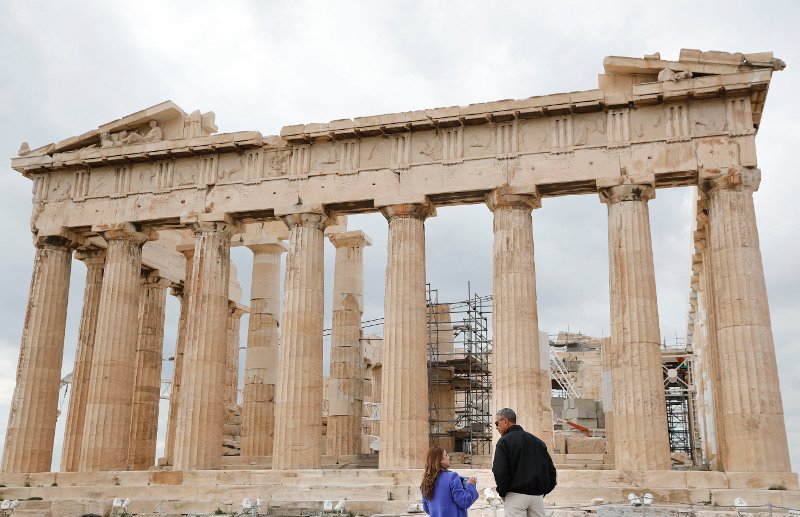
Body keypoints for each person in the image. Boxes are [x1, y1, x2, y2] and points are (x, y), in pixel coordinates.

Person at [492, 408, 557, 517]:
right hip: (537, 497)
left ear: (506, 421)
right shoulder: (538, 442)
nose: (496, 427)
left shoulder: (504, 441)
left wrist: (502, 492)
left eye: (497, 423)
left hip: (515, 496)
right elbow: (551, 471)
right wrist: (543, 491)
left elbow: (500, 471)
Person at [420, 446, 479, 517]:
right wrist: (471, 486)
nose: (449, 457)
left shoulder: (425, 482)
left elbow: (427, 508)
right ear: (441, 460)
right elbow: (464, 502)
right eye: (446, 455)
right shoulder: (452, 477)